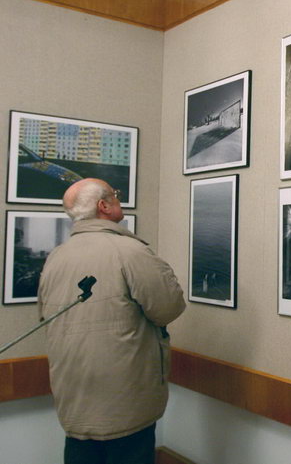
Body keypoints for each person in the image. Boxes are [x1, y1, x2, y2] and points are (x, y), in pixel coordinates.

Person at [38, 178, 186, 464]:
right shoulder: (130, 251)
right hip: (125, 399)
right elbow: (169, 308)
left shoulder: (56, 257)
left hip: (74, 396)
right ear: (103, 206)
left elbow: (45, 317)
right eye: (115, 195)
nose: (119, 199)